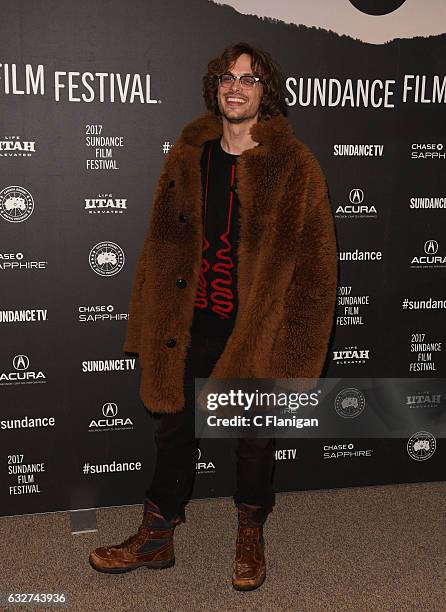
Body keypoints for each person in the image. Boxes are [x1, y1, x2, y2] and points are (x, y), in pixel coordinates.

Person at [89, 41, 337, 591]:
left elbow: (318, 275)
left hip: (258, 328)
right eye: (227, 77)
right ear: (215, 87)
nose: (236, 86)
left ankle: (250, 529)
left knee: (255, 438)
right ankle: (157, 535)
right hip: (187, 322)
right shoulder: (187, 156)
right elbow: (158, 248)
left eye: (249, 79)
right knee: (173, 429)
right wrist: (146, 325)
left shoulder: (295, 167)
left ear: (265, 93)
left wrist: (296, 357)